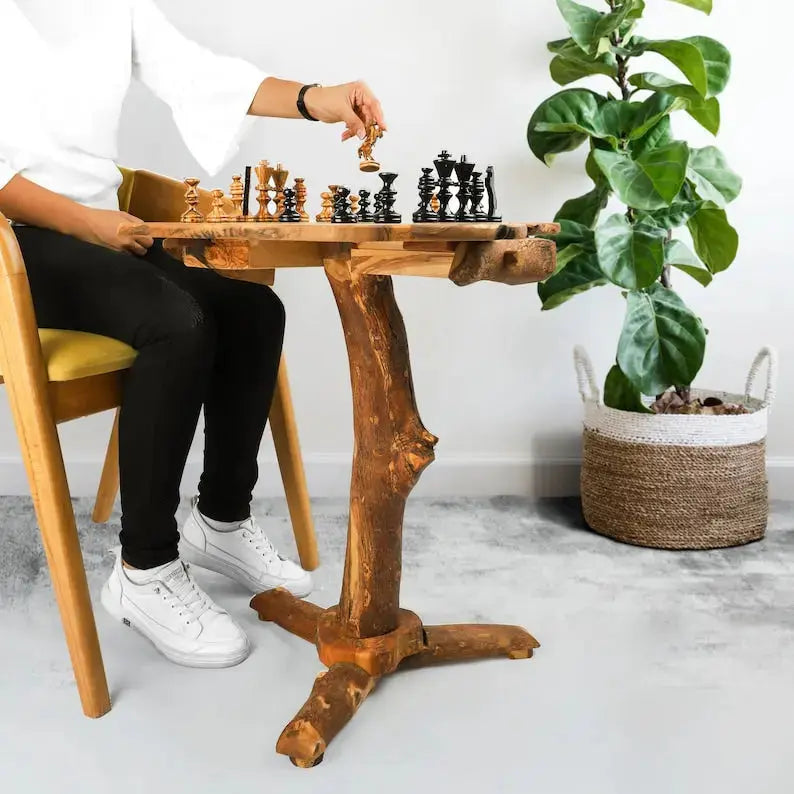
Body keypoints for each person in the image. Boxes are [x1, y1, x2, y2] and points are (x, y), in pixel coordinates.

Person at [0, 0, 386, 668]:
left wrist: (314, 99)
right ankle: (145, 569)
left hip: (99, 232)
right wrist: (87, 224)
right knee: (176, 324)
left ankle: (221, 522)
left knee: (253, 313)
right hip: (16, 245)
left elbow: (198, 75)